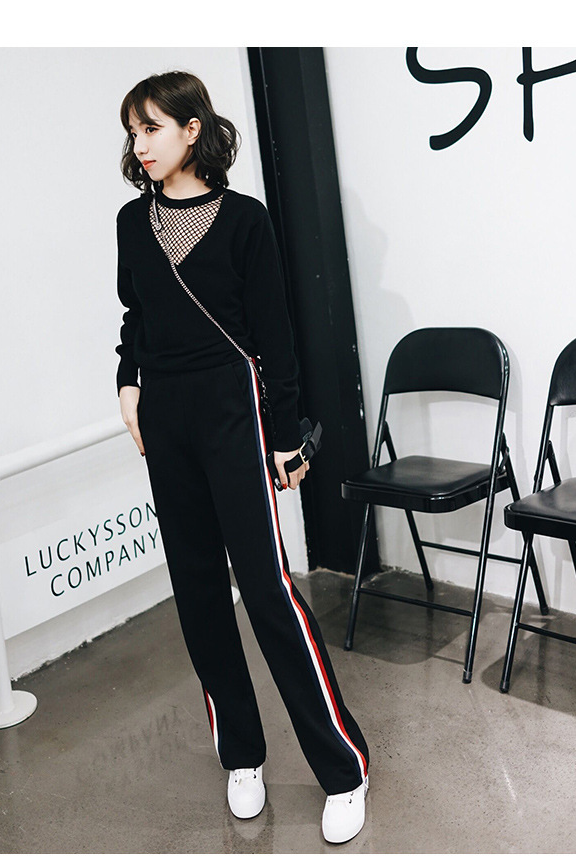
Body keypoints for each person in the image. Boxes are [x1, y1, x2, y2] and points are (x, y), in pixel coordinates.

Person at [114, 70, 370, 844]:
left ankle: (344, 767)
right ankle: (242, 756)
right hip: (164, 415)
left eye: (152, 128)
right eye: (133, 132)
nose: (140, 144)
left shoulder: (245, 220)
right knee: (197, 594)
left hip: (233, 408)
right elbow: (134, 316)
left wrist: (286, 436)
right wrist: (128, 382)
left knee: (267, 590)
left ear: (192, 129)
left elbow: (275, 337)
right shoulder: (132, 222)